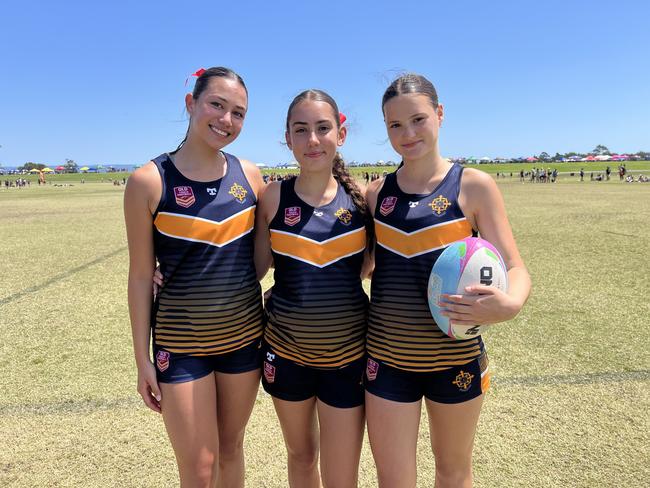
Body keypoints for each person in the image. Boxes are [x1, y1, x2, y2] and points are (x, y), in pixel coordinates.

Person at [364, 73, 531, 488]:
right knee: (394, 479)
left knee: (453, 472)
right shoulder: (375, 194)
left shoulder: (473, 186)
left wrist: (510, 304)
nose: (408, 133)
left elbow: (514, 266)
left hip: (455, 358)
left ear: (439, 115)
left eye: (418, 119)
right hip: (387, 359)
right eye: (395, 125)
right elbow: (362, 265)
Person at [124, 67, 265, 488]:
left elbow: (255, 264)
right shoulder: (148, 181)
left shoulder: (250, 176)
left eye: (238, 113)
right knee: (199, 467)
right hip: (181, 347)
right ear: (191, 103)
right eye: (216, 105)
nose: (226, 120)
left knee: (230, 449)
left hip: (243, 342)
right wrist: (141, 359)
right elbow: (138, 277)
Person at [254, 89, 372, 488]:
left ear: (341, 133)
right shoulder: (273, 197)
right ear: (287, 138)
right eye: (300, 130)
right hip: (286, 355)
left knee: (341, 477)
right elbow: (251, 269)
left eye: (323, 128)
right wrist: (165, 272)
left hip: (348, 358)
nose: (312, 140)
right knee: (302, 458)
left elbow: (383, 266)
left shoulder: (363, 201)